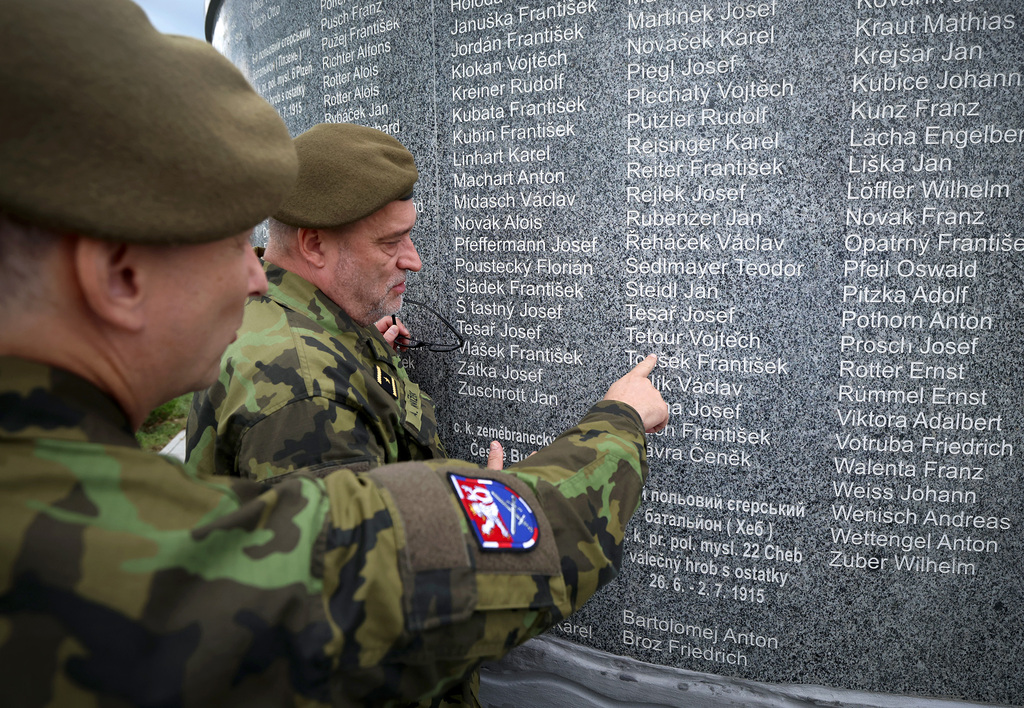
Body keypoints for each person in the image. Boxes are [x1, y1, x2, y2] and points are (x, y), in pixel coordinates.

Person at [0, 1, 670, 706]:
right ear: (118, 275)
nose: (258, 275)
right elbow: (446, 569)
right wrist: (617, 421)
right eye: (232, 244)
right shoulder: (170, 535)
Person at [186, 123, 487, 482]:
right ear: (314, 245)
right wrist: (479, 521)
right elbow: (353, 538)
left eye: (409, 235)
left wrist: (351, 349)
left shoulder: (255, 305)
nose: (413, 260)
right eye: (390, 242)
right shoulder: (307, 393)